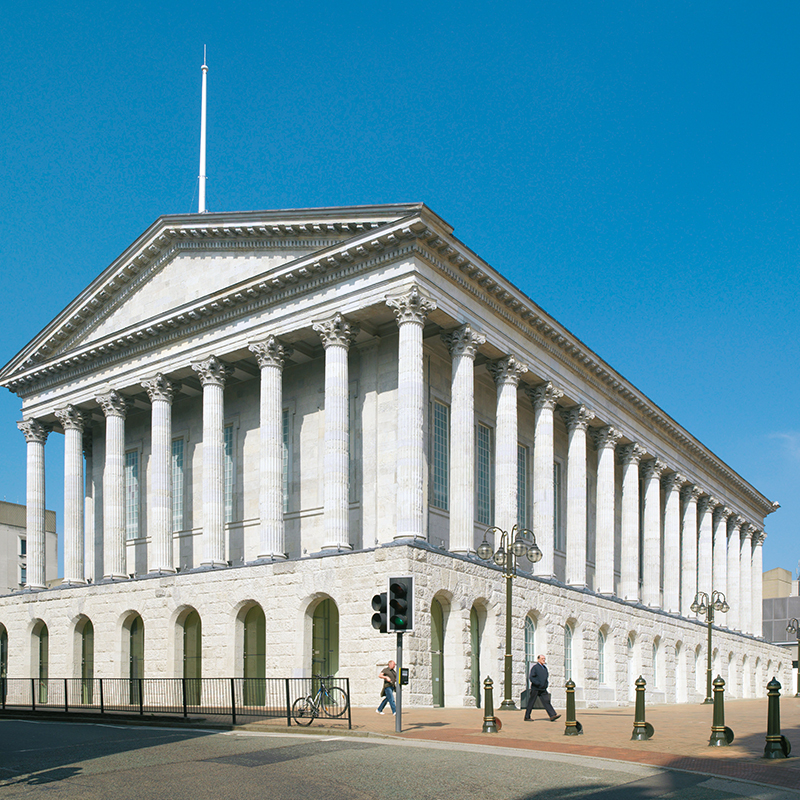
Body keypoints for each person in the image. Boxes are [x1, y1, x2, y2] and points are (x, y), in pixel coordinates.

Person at [523, 654, 561, 722]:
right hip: (536, 688)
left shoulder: (545, 668)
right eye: (542, 659)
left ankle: (552, 715)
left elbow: (546, 678)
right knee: (531, 702)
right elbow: (531, 677)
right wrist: (537, 683)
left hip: (543, 689)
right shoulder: (535, 667)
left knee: (546, 701)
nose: (543, 660)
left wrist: (546, 684)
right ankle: (527, 716)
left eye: (544, 659)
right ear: (538, 660)